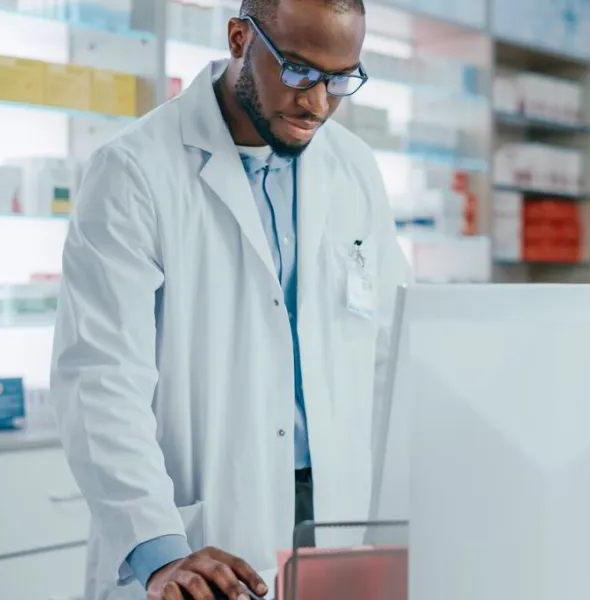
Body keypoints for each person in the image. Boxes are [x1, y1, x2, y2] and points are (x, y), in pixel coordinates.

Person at [49, 0, 411, 597]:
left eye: (339, 80)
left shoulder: (353, 168)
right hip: (203, 524)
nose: (318, 102)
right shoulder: (134, 171)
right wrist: (159, 547)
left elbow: (390, 347)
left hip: (336, 514)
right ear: (240, 38)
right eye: (297, 71)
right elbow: (100, 378)